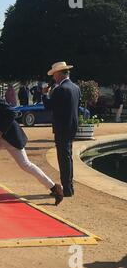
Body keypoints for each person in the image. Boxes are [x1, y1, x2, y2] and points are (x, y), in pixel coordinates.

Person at [0, 80, 64, 206]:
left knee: (25, 165)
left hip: (10, 137)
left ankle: (54, 188)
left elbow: (12, 112)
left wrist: (0, 131)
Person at [43, 62, 81, 198]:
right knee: (68, 157)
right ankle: (69, 187)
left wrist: (44, 95)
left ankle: (66, 189)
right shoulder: (76, 88)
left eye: (54, 75)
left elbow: (49, 106)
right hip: (72, 126)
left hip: (61, 127)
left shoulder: (60, 89)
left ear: (59, 74)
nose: (54, 78)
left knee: (63, 158)